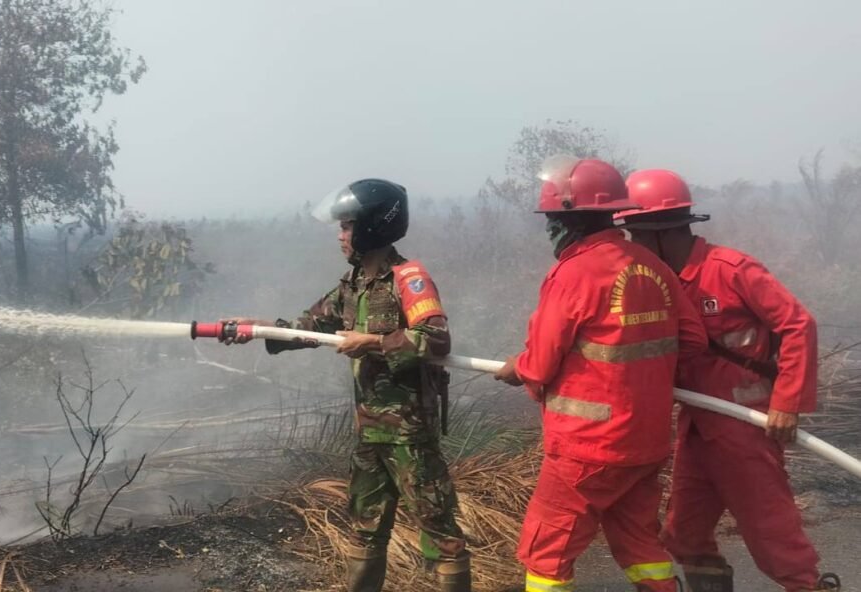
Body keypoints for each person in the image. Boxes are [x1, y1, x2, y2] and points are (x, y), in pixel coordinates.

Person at [223, 179, 469, 592]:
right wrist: (257, 329)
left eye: (347, 226)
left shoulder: (409, 279)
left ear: (373, 227)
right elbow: (310, 327)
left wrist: (372, 342)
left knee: (440, 532)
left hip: (409, 434)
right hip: (370, 433)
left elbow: (436, 339)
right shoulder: (352, 285)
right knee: (365, 529)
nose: (340, 236)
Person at [616, 169, 841, 592]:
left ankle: (808, 587)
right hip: (698, 426)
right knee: (684, 535)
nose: (633, 246)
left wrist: (786, 403)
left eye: (636, 235)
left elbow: (798, 325)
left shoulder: (732, 270)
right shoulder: (656, 284)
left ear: (663, 232)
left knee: (774, 538)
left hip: (745, 425)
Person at [494, 156, 707, 591]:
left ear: (570, 220)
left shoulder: (572, 273)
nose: (550, 228)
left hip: (587, 448)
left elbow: (539, 363)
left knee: (546, 554)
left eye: (553, 219)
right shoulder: (652, 266)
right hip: (645, 443)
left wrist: (517, 367)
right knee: (641, 547)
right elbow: (693, 341)